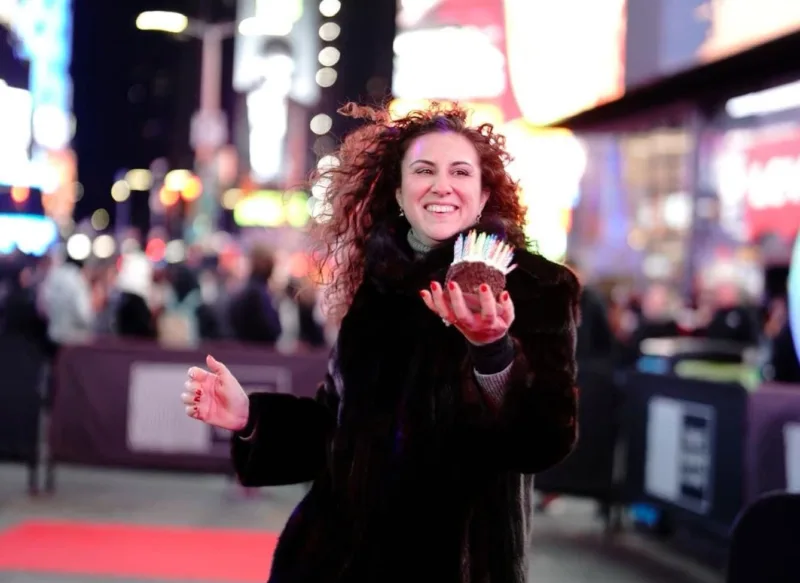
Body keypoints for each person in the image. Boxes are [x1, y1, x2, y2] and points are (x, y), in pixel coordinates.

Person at [181, 103, 580, 583]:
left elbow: (543, 440)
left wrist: (492, 352)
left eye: (459, 172)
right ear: (398, 192)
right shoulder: (380, 285)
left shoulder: (536, 287)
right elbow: (337, 430)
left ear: (483, 195)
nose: (441, 185)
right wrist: (250, 416)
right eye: (423, 170)